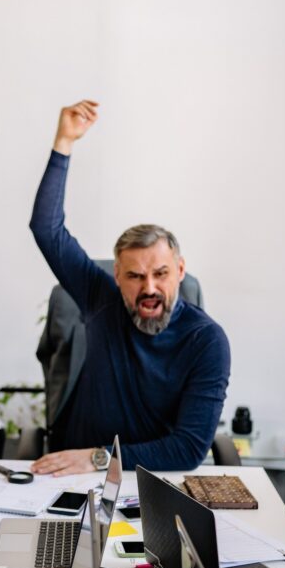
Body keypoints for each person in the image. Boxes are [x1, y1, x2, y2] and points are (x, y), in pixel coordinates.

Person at [28, 100, 230, 476]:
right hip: (68, 475)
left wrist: (96, 457)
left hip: (150, 479)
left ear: (181, 270)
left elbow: (187, 450)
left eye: (161, 273)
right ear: (117, 275)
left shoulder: (207, 341)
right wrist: (63, 143)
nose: (149, 287)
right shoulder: (101, 297)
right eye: (135, 276)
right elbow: (46, 228)